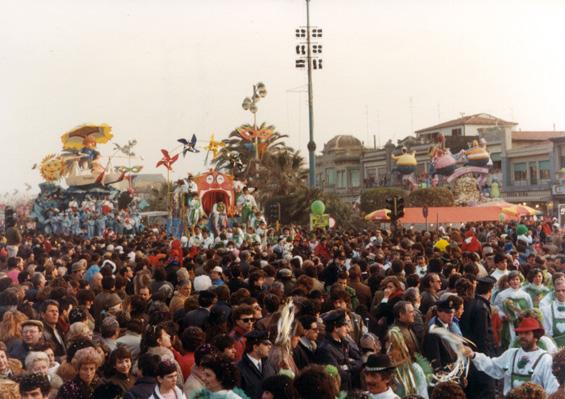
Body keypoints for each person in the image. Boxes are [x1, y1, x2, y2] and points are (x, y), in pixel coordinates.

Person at [463, 316, 559, 396]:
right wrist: (473, 355)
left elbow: (552, 388)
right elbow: (493, 366)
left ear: (536, 336)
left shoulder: (546, 359)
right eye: (520, 333)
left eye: (527, 333)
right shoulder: (511, 354)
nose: (522, 336)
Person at [459, 276, 497, 399]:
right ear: (490, 290)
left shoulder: (470, 303)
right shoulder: (482, 308)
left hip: (470, 355)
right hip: (479, 357)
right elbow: (483, 337)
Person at [317, 309, 363, 391]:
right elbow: (339, 374)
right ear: (336, 328)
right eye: (344, 326)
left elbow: (360, 360)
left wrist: (347, 366)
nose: (347, 329)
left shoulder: (344, 343)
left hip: (349, 388)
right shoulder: (325, 349)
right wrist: (351, 363)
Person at [422, 297, 459, 371]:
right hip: (444, 374)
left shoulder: (447, 325)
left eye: (452, 312)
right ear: (438, 312)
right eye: (447, 312)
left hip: (453, 370)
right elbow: (434, 359)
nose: (451, 315)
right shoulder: (434, 332)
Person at [236, 330, 275, 399]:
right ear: (255, 347)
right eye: (265, 344)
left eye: (269, 344)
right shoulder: (239, 369)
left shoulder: (268, 365)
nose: (270, 347)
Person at [541, 278, 565, 348]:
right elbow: (545, 334)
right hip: (555, 348)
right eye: (558, 291)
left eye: (564, 290)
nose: (561, 293)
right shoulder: (547, 310)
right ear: (554, 292)